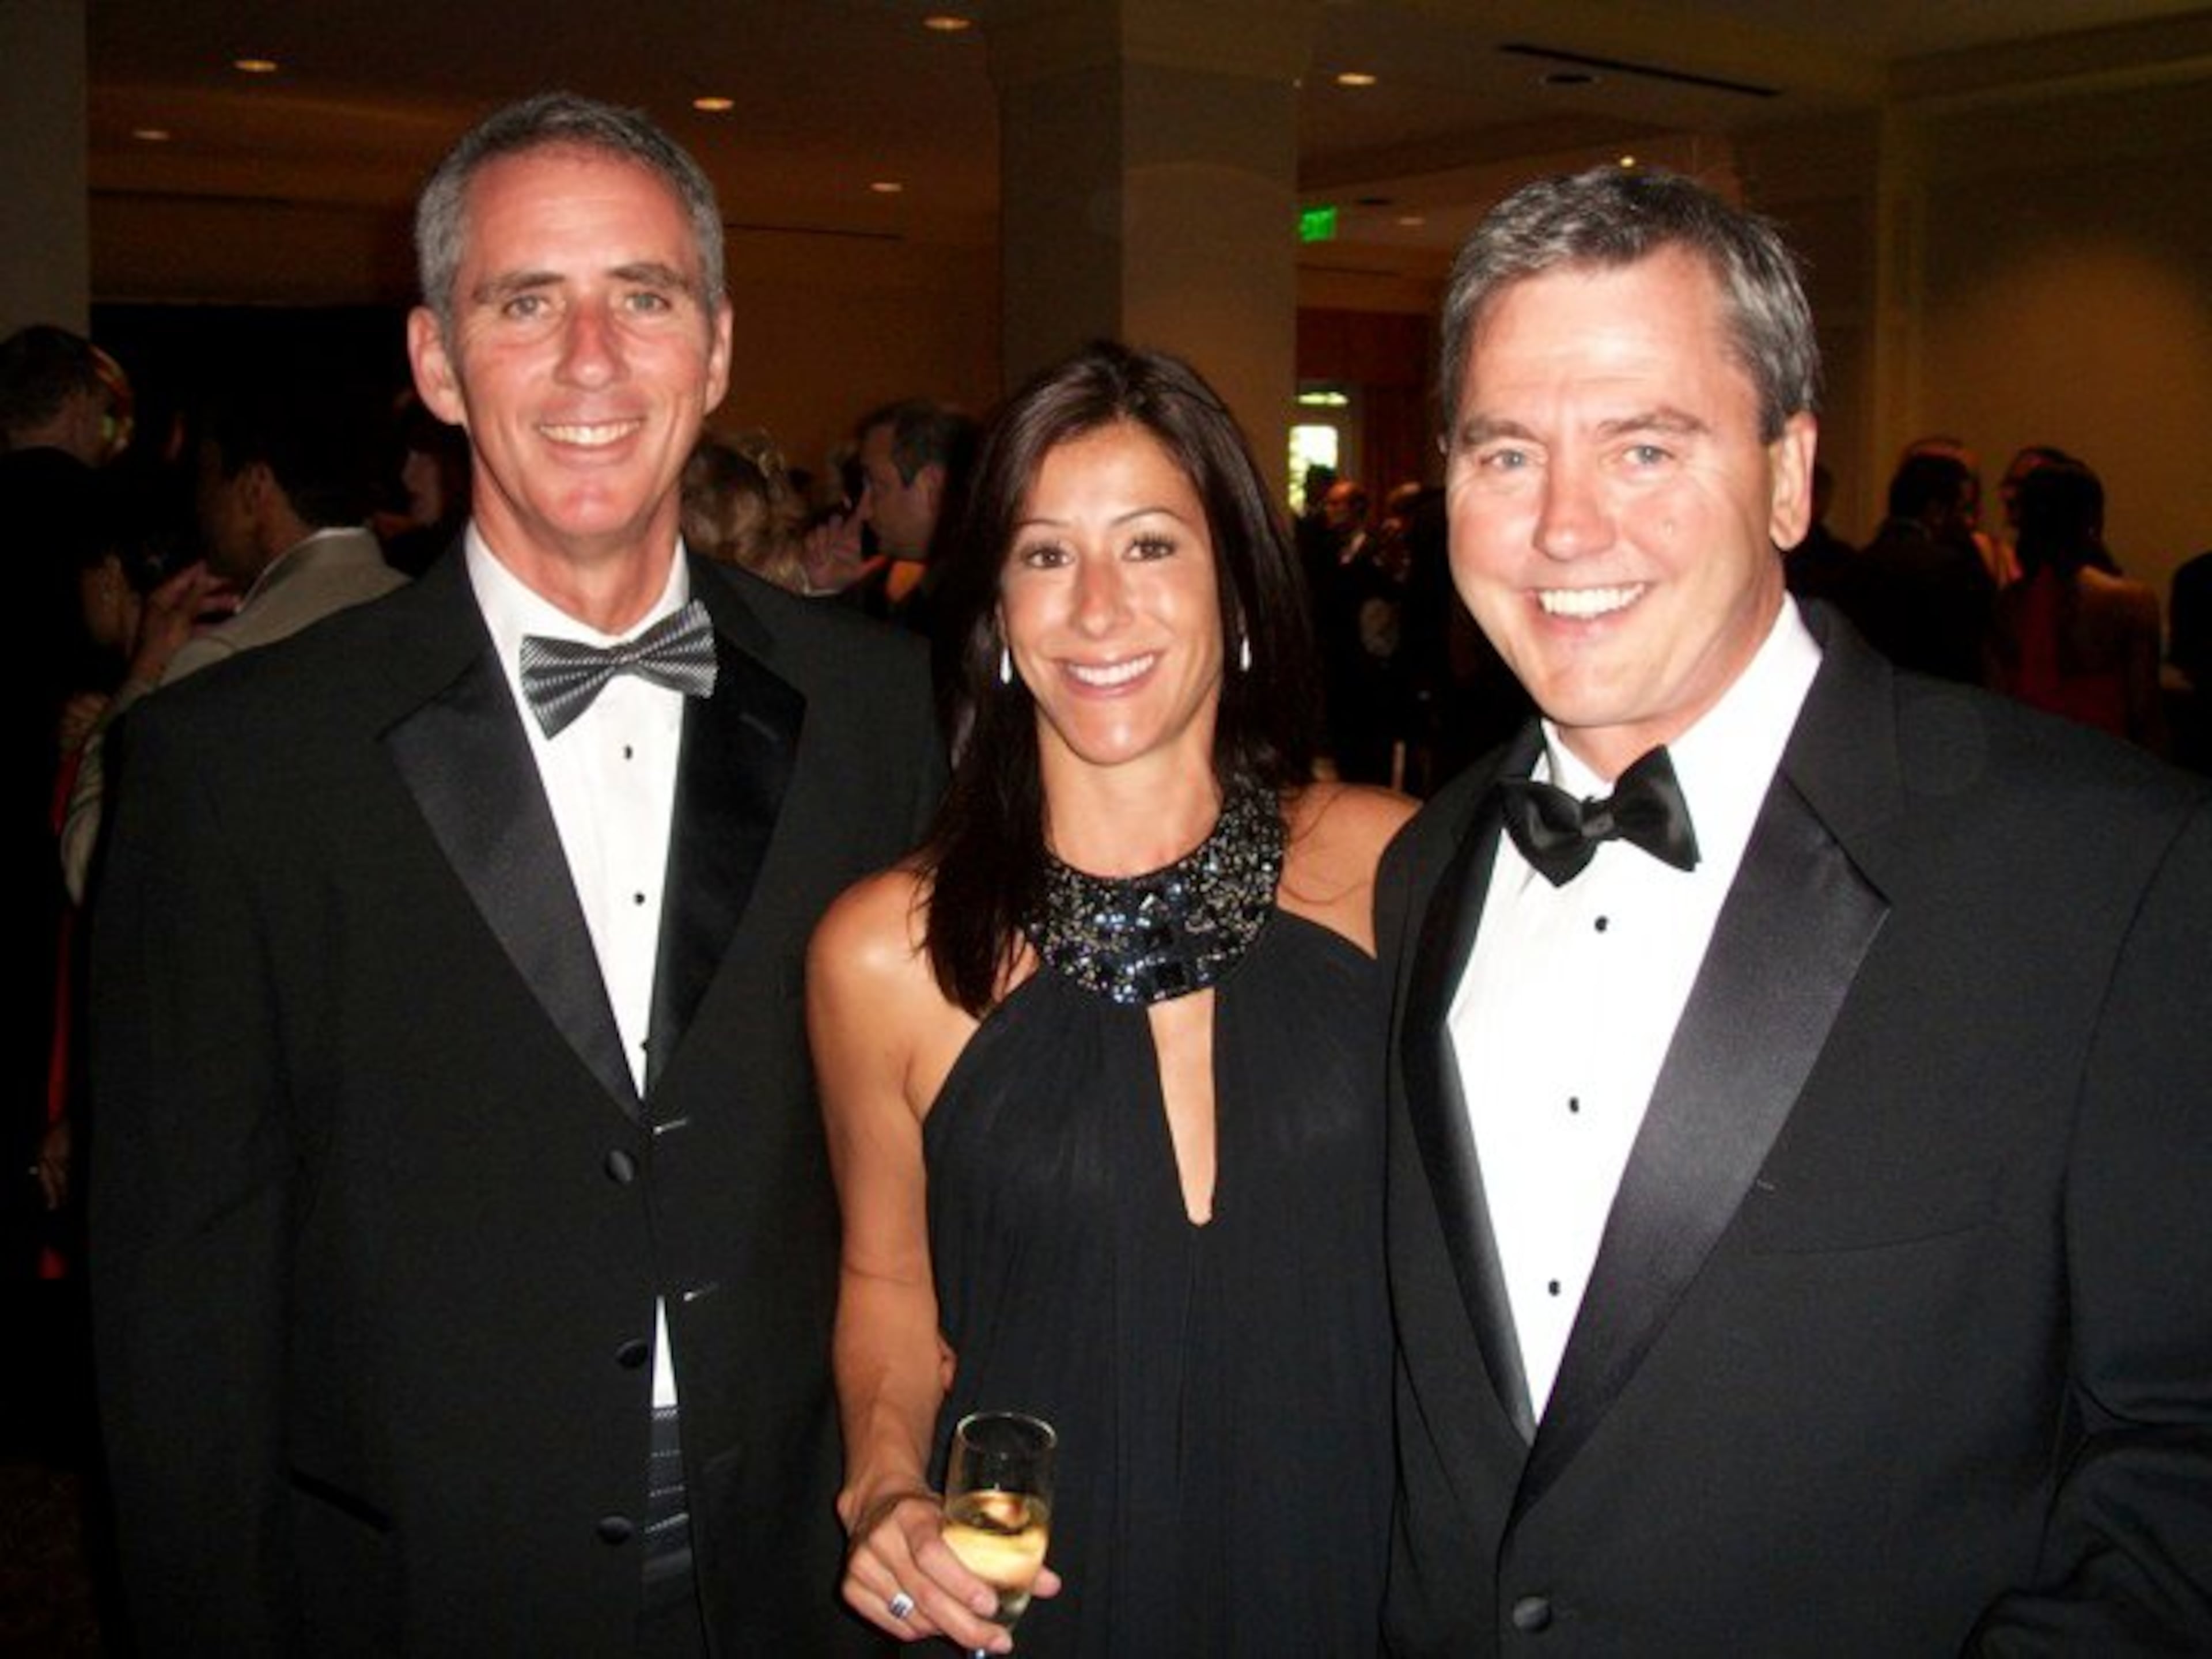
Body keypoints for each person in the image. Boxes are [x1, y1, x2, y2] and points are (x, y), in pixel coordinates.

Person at [88, 91, 941, 1656]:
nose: (594, 360)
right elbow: (176, 1308)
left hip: (800, 1581)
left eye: (645, 297)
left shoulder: (874, 709)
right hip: (410, 1592)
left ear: (720, 345)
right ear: (434, 359)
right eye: (526, 301)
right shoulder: (233, 765)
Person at [1381, 165, 2212, 1653]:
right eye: (1507, 455)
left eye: (1645, 448)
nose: (1565, 528)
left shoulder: (2108, 873)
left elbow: (2182, 1466)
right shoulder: (1424, 866)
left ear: (1788, 476)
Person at [812, 341, 1412, 1657]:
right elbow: (885, 1285)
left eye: (1148, 547)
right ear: (996, 618)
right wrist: (885, 1485)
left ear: (1237, 591)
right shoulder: (884, 953)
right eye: (1042, 554)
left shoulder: (1386, 870)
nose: (1095, 609)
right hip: (1039, 1600)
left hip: (1355, 1578)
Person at [60, 373, 409, 903]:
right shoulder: (432, 617)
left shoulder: (226, 658)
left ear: (252, 489)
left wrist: (138, 683)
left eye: (204, 480)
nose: (199, 506)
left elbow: (98, 865)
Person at [1992, 455, 2164, 749]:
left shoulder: (2004, 606)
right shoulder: (2130, 602)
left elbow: (1997, 703)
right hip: (2105, 764)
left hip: (2028, 761)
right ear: (2092, 520)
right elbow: (2143, 712)